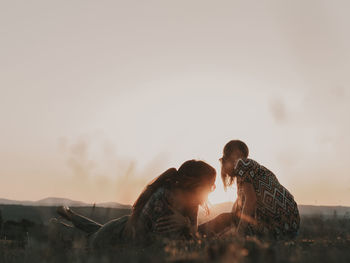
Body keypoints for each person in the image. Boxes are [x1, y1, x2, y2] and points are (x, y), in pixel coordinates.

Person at [48, 160, 216, 249]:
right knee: (82, 242)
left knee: (94, 230)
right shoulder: (164, 200)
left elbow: (193, 235)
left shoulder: (191, 202)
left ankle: (69, 214)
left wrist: (185, 223)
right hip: (114, 238)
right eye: (210, 185)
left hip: (122, 227)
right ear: (194, 185)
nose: (212, 190)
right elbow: (158, 247)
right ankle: (57, 226)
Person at [160, 140, 300, 241]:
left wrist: (239, 233)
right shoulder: (252, 173)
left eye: (224, 159)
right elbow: (242, 207)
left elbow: (250, 201)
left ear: (231, 157)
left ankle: (192, 235)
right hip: (289, 228)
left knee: (226, 220)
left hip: (276, 227)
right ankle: (193, 234)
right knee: (229, 219)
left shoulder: (243, 164)